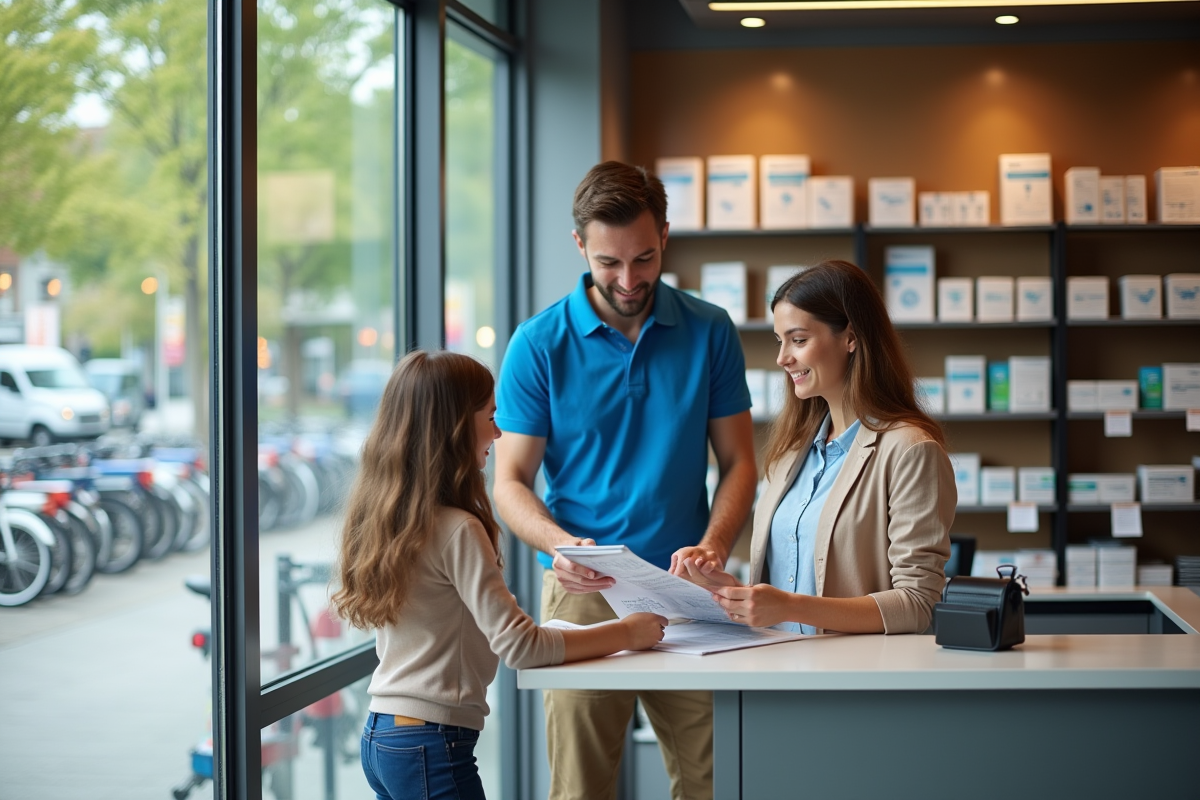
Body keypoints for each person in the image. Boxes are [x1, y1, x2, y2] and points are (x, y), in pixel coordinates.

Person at [493, 161, 758, 800]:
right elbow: (510, 481)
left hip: (691, 590)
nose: (630, 279)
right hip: (584, 594)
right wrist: (559, 543)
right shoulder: (538, 345)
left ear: (664, 235)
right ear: (579, 244)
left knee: (718, 781)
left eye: (644, 259)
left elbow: (741, 462)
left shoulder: (710, 329)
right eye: (610, 262)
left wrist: (717, 544)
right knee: (581, 789)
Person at [332, 350, 668, 800]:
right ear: (454, 426)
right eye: (489, 417)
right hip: (432, 744)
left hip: (383, 737)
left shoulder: (391, 517)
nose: (498, 431)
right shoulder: (458, 530)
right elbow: (521, 647)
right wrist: (628, 632)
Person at [679, 260, 955, 635]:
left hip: (849, 680)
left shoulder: (909, 450)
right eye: (781, 341)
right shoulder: (791, 454)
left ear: (851, 338)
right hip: (775, 670)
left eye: (799, 340)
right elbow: (788, 594)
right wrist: (731, 593)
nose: (782, 358)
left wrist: (789, 606)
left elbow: (918, 603)